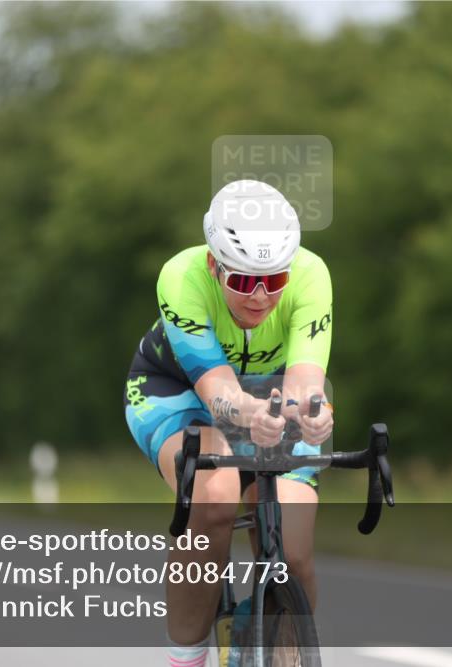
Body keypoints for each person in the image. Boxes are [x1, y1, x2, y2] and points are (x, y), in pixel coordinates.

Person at [124, 180, 334, 666]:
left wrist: (311, 414)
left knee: (294, 546)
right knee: (214, 495)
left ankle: (279, 649)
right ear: (214, 266)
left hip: (272, 394)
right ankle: (186, 656)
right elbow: (217, 391)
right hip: (179, 393)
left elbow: (306, 377)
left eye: (275, 281)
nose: (260, 297)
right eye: (242, 281)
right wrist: (249, 416)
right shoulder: (181, 276)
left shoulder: (313, 275)